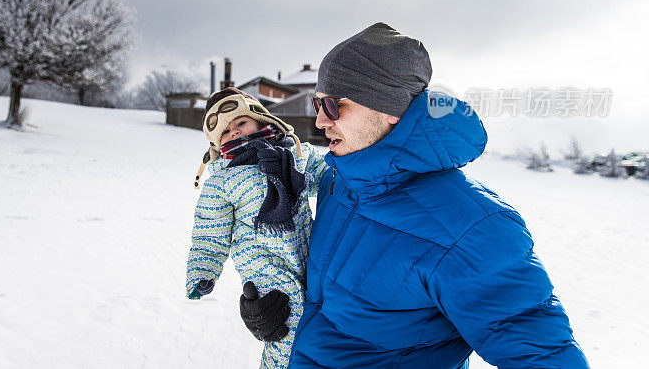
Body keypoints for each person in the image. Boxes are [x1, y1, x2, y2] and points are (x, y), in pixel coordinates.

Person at [238, 23, 589, 368]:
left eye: (333, 105)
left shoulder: (472, 230)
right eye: (317, 104)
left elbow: (546, 358)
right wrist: (278, 310)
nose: (320, 122)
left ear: (388, 109)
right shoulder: (341, 179)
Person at [185, 87, 327, 369]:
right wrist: (202, 270)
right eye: (224, 132)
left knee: (321, 336)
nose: (234, 132)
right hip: (266, 273)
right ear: (216, 143)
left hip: (311, 258)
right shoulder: (222, 181)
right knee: (284, 340)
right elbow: (209, 232)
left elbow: (329, 178)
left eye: (240, 122)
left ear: (262, 121)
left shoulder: (295, 154)